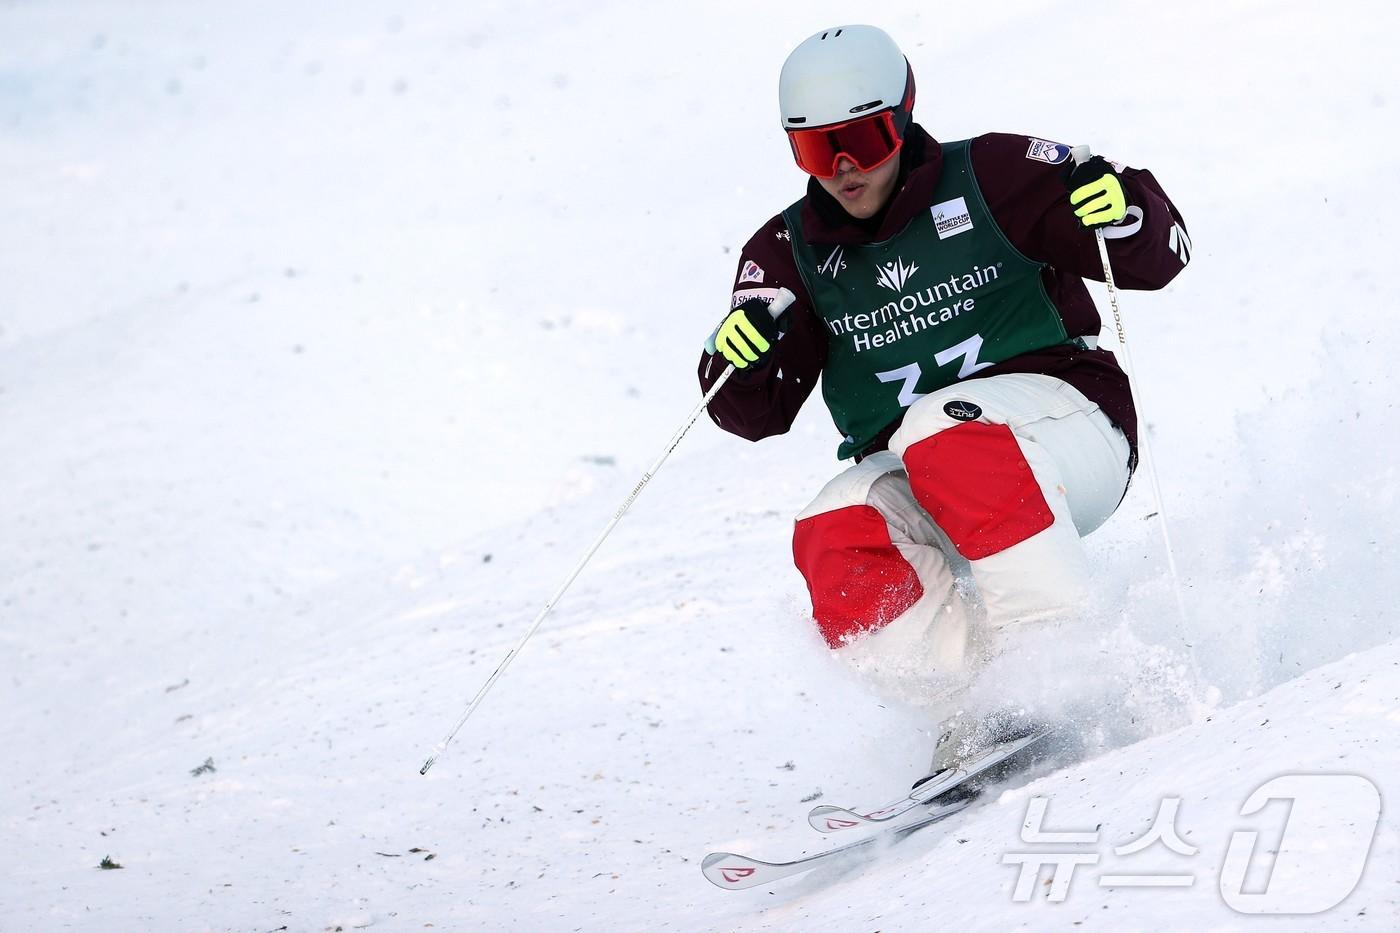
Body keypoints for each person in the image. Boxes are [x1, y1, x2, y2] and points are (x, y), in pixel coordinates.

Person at [697, 25, 1191, 772]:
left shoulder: (992, 175)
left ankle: (1059, 672)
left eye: (862, 140)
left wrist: (1126, 212)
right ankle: (982, 709)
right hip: (937, 480)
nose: (842, 168)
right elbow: (753, 415)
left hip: (1069, 432)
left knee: (939, 427)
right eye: (816, 150)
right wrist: (735, 359)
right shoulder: (788, 253)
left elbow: (1158, 256)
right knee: (833, 524)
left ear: (903, 115)